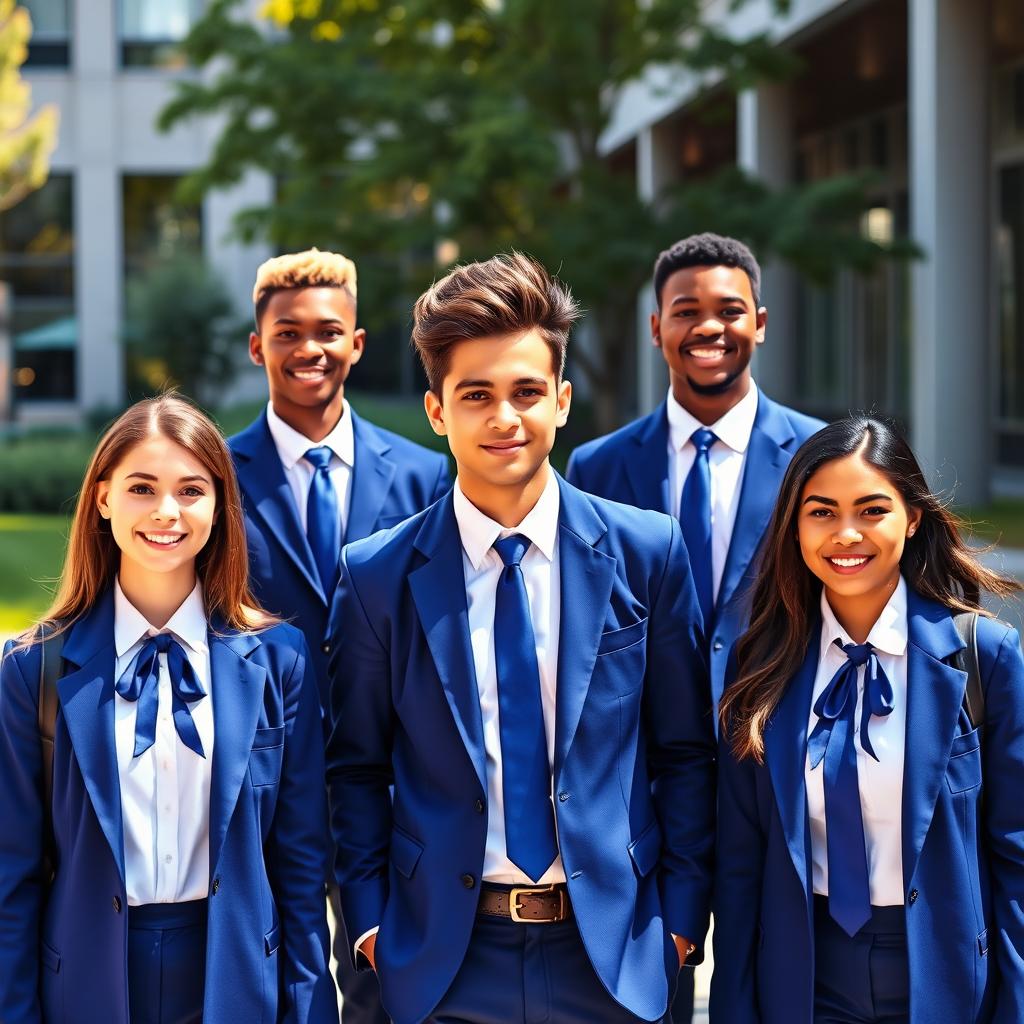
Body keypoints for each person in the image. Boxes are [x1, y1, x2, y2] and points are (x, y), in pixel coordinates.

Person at [326, 253, 715, 1024]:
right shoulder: (376, 576)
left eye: (527, 392)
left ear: (562, 401)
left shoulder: (649, 552)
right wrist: (370, 925)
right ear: (437, 411)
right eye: (476, 395)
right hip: (444, 961)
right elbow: (354, 768)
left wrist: (678, 923)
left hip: (613, 960)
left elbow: (685, 752)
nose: (505, 417)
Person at [0, 395, 336, 1024]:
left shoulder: (279, 661)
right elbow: (10, 876)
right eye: (142, 488)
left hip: (235, 981)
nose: (166, 511)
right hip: (87, 985)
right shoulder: (32, 669)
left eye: (190, 490)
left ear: (218, 505)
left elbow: (301, 871)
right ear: (103, 498)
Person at [712, 416, 1024, 1024]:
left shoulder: (984, 657)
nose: (846, 534)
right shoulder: (760, 663)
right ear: (795, 526)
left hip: (946, 976)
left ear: (913, 518)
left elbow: (1016, 856)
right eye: (822, 512)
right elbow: (741, 863)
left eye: (872, 510)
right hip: (804, 979)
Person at [229, 248, 450, 1022]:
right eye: (287, 333)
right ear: (257, 346)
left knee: (386, 987)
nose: (308, 348)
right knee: (274, 986)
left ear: (356, 343)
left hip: (389, 780)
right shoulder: (215, 480)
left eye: (328, 331)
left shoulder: (425, 477)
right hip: (262, 778)